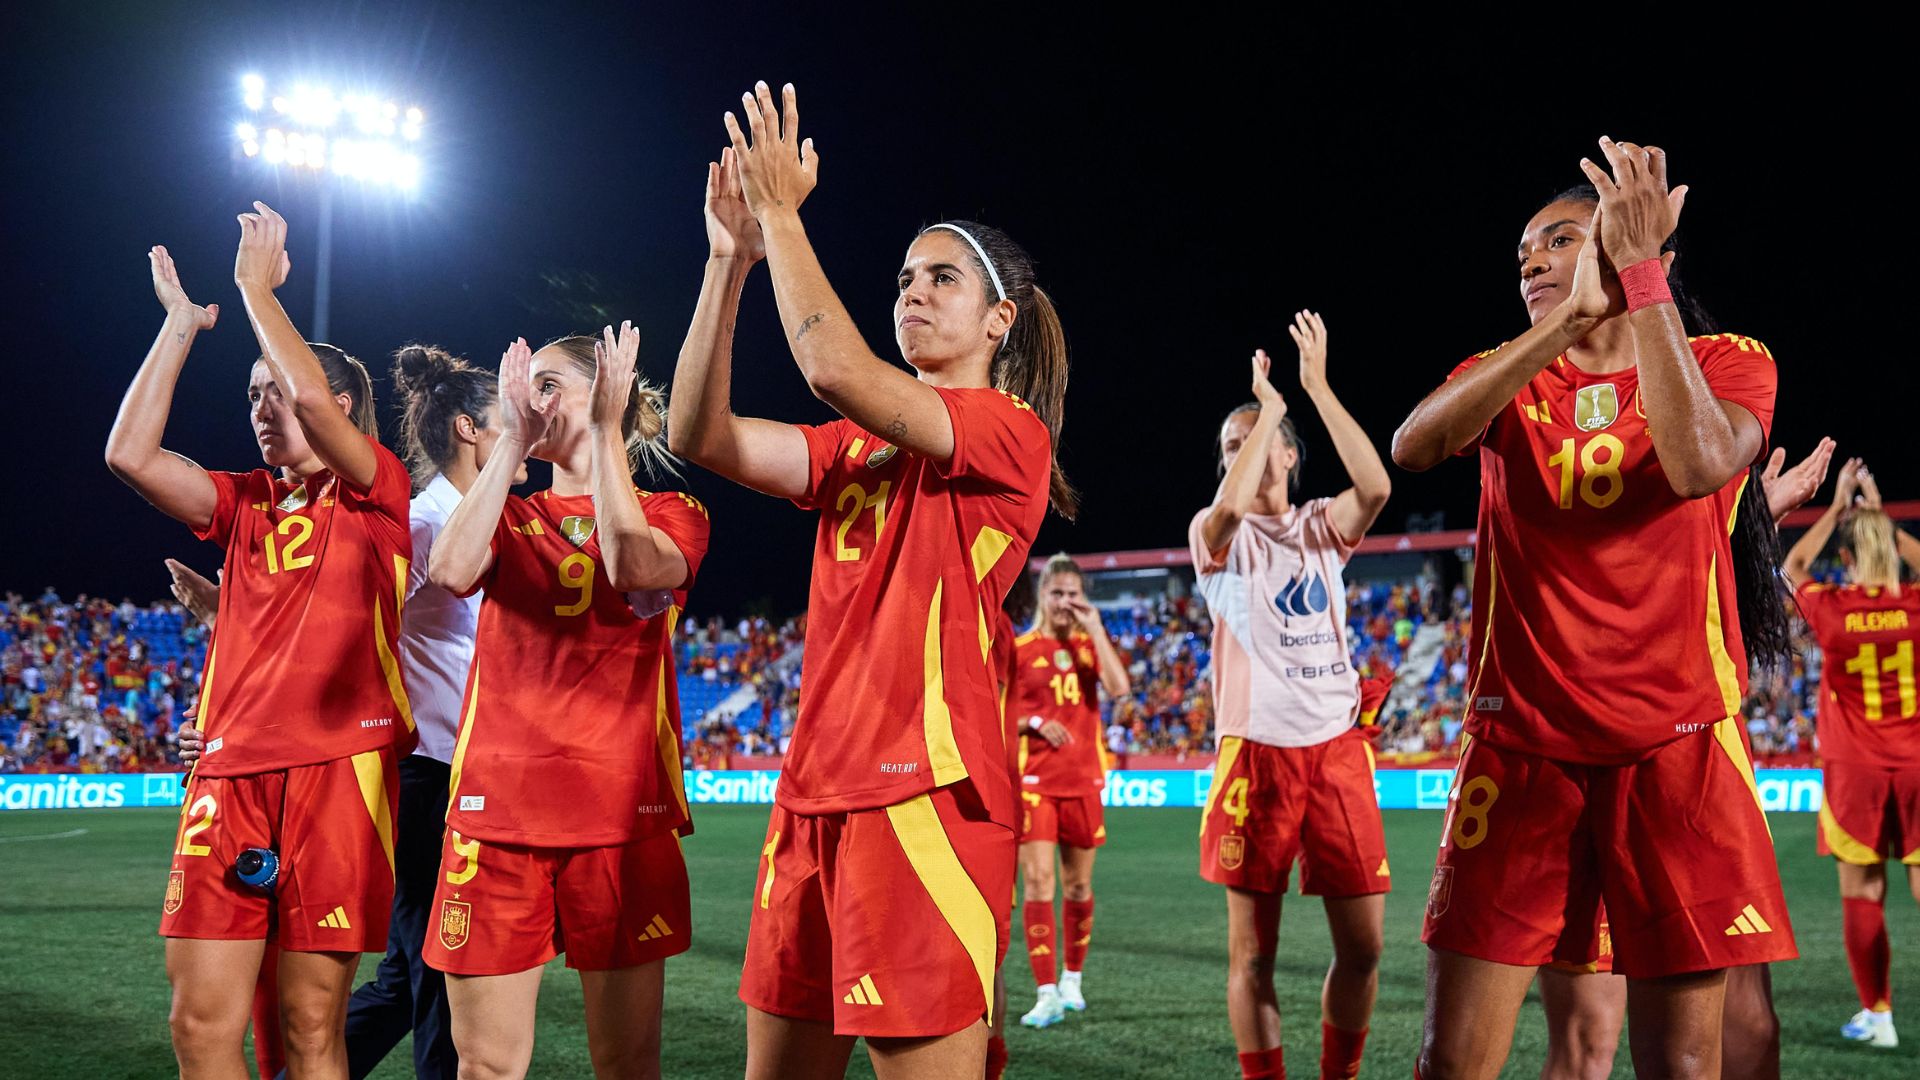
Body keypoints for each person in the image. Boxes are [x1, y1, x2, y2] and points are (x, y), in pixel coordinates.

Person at [667, 83, 1066, 1080]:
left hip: (923, 799)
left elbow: (832, 366)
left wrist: (782, 216)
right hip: (809, 801)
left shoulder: (1009, 433)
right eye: (903, 278)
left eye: (940, 279)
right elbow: (695, 437)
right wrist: (729, 264)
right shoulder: (853, 452)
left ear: (998, 321)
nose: (912, 293)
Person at [1392, 138, 1796, 1079]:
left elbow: (1698, 463)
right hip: (1519, 746)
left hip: (1679, 744)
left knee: (1689, 1066)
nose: (1531, 259)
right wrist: (1562, 325)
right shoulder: (1505, 371)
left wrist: (1642, 279)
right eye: (1523, 251)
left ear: (1624, 241)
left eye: (1560, 239)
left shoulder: (1727, 361)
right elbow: (1415, 445)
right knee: (1449, 1063)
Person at [105, 203, 414, 1079]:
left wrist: (251, 287)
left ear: (342, 409)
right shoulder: (241, 503)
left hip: (338, 775)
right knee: (202, 1027)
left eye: (271, 390)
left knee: (309, 1027)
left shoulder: (376, 493)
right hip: (227, 775)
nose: (261, 410)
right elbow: (129, 454)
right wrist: (177, 328)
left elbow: (311, 396)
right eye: (249, 396)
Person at [173, 343, 529, 1078]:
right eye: (507, 420)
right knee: (432, 970)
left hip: (455, 768)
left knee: (407, 977)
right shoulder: (428, 517)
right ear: (469, 429)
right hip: (420, 767)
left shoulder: (469, 510)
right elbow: (340, 616)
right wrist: (235, 636)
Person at [423, 325, 707, 1080]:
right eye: (525, 385)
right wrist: (510, 445)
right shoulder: (510, 516)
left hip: (620, 819)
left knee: (625, 1065)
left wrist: (609, 434)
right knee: (484, 1066)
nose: (528, 397)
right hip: (496, 818)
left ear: (608, 392)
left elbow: (631, 566)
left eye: (549, 385)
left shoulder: (676, 512)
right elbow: (448, 569)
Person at [1531, 438, 1835, 1080]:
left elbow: (1682, 578)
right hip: (1577, 755)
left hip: (1697, 760)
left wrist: (1749, 525)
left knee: (1749, 1026)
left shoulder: (1694, 425)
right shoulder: (1549, 432)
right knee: (1589, 1042)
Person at [1189, 311, 1392, 1080]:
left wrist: (1313, 388)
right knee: (1254, 955)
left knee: (1366, 948)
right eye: (1226, 451)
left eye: (1250, 445)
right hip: (1255, 759)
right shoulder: (1215, 533)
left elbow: (1374, 485)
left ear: (1291, 456)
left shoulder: (1319, 527)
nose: (1235, 458)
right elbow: (1232, 509)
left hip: (1336, 752)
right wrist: (1264, 411)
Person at [1784, 459, 1920, 1050]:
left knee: (1863, 893)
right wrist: (1882, 515)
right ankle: (1879, 1015)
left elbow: (1790, 567)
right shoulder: (1915, 607)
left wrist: (1838, 507)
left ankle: (1879, 1016)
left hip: (1853, 770)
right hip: (1918, 763)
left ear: (1847, 557)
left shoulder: (1834, 609)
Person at [1009, 554, 1130, 1029]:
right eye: (1056, 593)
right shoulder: (1019, 649)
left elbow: (1119, 689)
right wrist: (1035, 722)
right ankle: (1045, 993)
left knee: (1079, 885)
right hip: (1035, 783)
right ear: (1042, 596)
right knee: (1039, 881)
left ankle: (1072, 980)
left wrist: (1095, 628)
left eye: (1073, 594)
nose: (1064, 602)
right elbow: (994, 714)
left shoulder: (1089, 645)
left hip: (1083, 782)